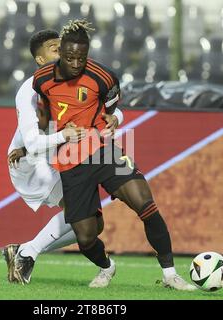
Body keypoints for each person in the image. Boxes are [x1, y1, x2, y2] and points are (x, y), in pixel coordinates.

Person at [32, 19, 196, 290]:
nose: (75, 63)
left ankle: (170, 275)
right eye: (70, 57)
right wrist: (45, 140)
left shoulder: (103, 76)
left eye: (81, 58)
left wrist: (114, 119)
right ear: (60, 52)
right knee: (85, 237)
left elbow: (112, 110)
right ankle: (107, 267)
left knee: (146, 204)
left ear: (88, 54)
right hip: (72, 163)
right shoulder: (42, 80)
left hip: (104, 152)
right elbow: (44, 117)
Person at [3, 29, 125, 285]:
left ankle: (23, 251)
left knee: (94, 223)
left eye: (63, 46)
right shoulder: (29, 90)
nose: (63, 51)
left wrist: (115, 119)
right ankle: (27, 254)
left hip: (59, 156)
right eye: (54, 48)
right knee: (83, 218)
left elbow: (113, 113)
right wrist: (66, 135)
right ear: (39, 59)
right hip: (32, 162)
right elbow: (34, 143)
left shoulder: (76, 81)